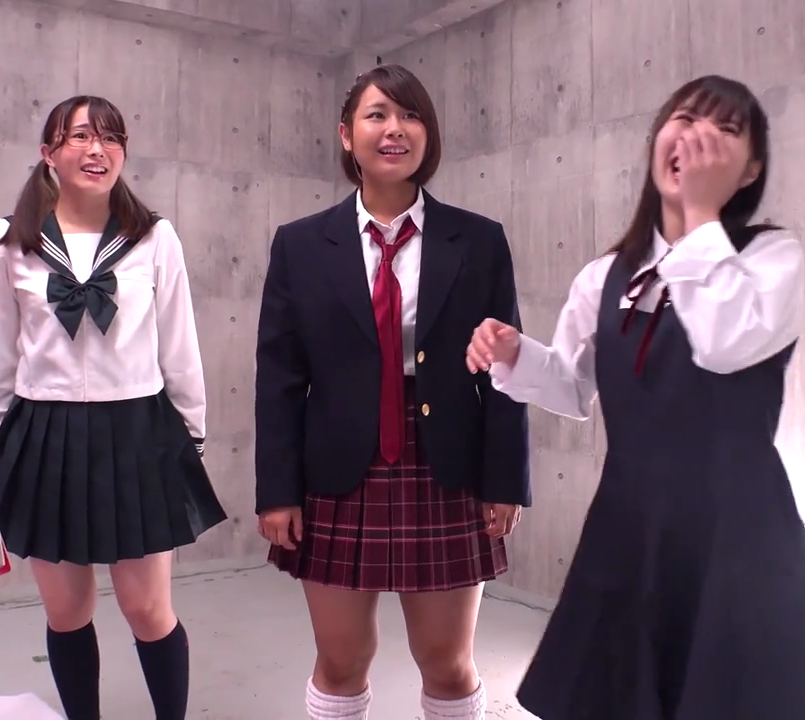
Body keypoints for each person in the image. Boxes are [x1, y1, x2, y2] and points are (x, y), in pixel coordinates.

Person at [467, 75, 805, 718]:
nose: (698, 137)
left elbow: (723, 346)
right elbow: (574, 387)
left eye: (725, 130)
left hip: (740, 529)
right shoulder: (604, 276)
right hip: (629, 523)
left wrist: (701, 220)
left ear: (751, 170)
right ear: (656, 140)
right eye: (685, 119)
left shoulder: (770, 256)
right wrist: (514, 354)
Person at [254, 63, 530, 719]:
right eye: (377, 115)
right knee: (341, 661)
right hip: (336, 468)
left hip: (446, 463)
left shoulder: (479, 240)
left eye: (410, 116)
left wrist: (506, 480)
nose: (394, 129)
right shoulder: (300, 245)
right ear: (346, 134)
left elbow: (505, 368)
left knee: (448, 663)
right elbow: (280, 378)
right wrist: (277, 490)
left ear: (428, 135)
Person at [0, 95, 228, 720]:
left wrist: (191, 435)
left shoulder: (154, 238)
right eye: (81, 137)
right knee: (67, 610)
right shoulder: (10, 241)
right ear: (49, 153)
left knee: (147, 608)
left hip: (138, 430)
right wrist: (3, 438)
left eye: (111, 137)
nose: (98, 149)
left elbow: (180, 343)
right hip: (45, 431)